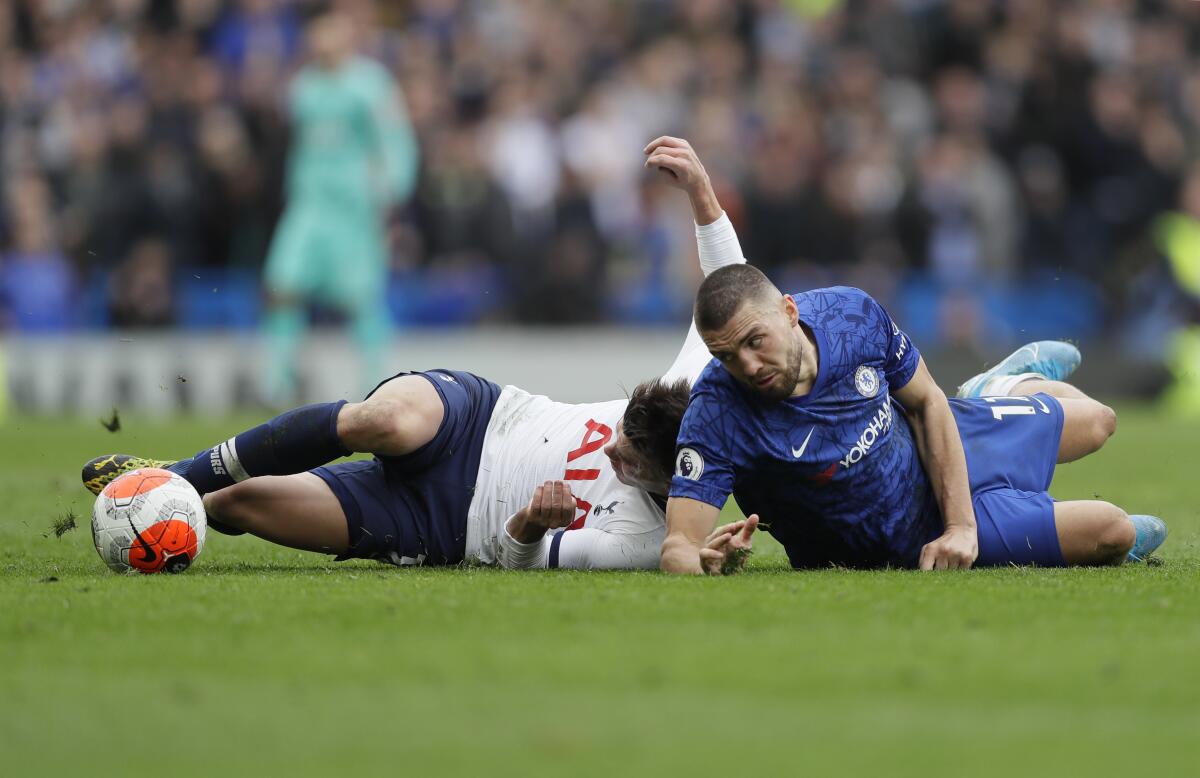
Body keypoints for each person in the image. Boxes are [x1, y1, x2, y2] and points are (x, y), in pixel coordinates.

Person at [80, 138, 740, 571]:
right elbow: (726, 287)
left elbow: (519, 561)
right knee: (386, 421)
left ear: (668, 477)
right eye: (619, 432)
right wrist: (703, 196)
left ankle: (184, 493)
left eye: (625, 459)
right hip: (481, 419)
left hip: (446, 523)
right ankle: (181, 470)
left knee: (234, 506)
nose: (609, 450)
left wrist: (531, 522)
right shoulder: (691, 390)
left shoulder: (642, 543)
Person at [654, 261, 1169, 574]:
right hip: (913, 539)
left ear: (789, 313)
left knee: (1101, 421)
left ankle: (994, 388)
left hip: (946, 440)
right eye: (726, 356)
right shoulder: (718, 412)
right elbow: (680, 543)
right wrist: (698, 563)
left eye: (754, 342)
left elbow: (926, 401)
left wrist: (961, 525)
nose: (746, 365)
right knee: (1113, 531)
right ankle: (997, 404)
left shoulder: (849, 315)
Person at [262, 10, 419, 405]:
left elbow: (395, 139)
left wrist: (391, 192)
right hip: (309, 204)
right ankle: (278, 383)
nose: (322, 37)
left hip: (353, 208)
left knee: (361, 296)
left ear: (346, 32)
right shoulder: (304, 87)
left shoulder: (371, 84)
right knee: (282, 284)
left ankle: (377, 383)